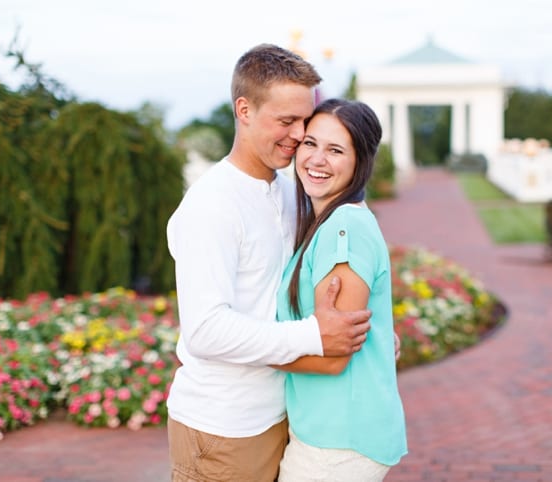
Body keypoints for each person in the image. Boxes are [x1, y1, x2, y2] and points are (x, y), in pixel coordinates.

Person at [165, 44, 373, 481]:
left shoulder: (287, 189)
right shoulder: (212, 204)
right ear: (244, 110)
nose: (299, 134)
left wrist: (366, 342)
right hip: (224, 428)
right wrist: (315, 335)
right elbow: (204, 331)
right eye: (286, 121)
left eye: (304, 120)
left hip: (280, 416)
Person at [272, 98, 408, 481]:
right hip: (327, 431)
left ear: (359, 161)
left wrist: (240, 351)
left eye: (335, 150)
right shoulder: (327, 221)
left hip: (338, 443)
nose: (316, 159)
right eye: (310, 143)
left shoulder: (343, 227)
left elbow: (331, 355)